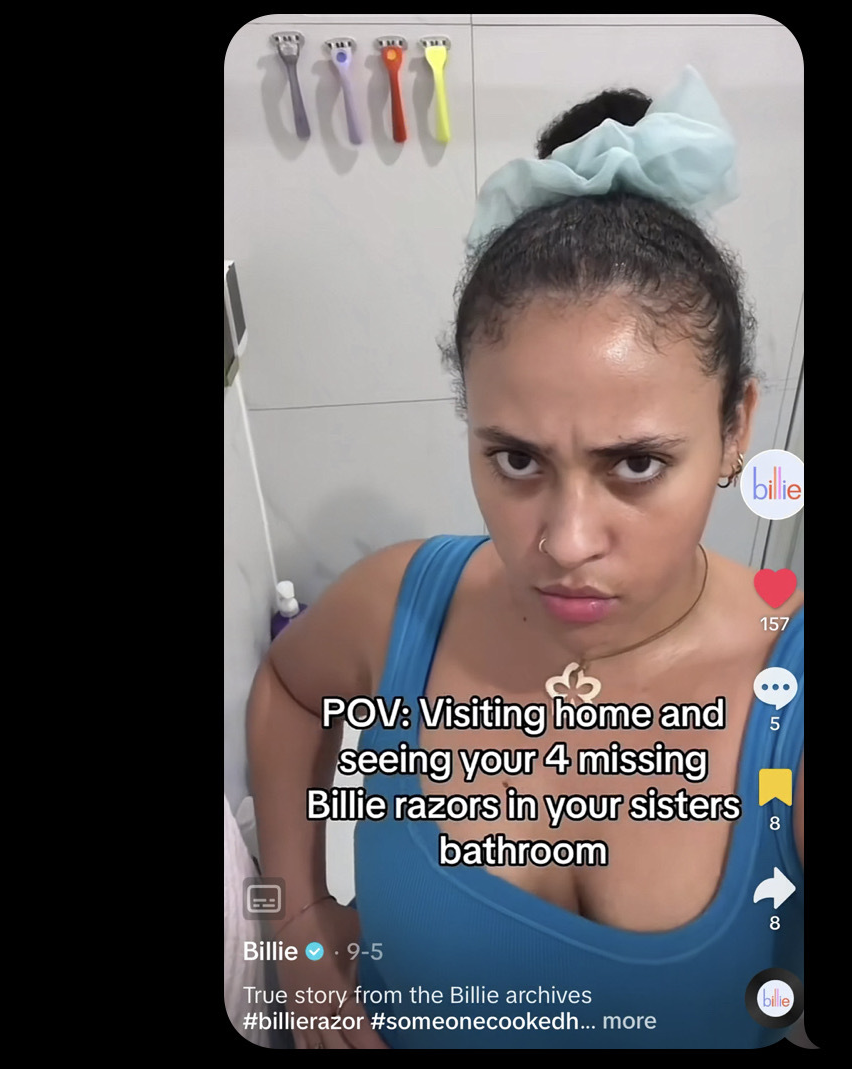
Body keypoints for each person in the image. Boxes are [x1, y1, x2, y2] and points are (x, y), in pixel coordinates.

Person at [245, 67, 804, 1050]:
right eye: (516, 459)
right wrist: (300, 927)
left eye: (635, 462)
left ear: (734, 429)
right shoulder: (405, 607)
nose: (566, 541)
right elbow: (290, 692)